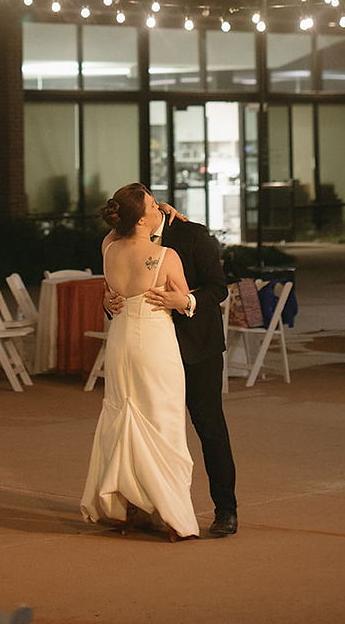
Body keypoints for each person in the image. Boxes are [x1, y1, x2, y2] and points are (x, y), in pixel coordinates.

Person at [104, 184, 238, 538]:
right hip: (148, 350)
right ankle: (148, 507)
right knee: (150, 428)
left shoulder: (191, 234)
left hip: (197, 347)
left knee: (209, 427)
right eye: (150, 203)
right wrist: (109, 302)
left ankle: (226, 510)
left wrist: (186, 303)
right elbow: (116, 286)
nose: (158, 209)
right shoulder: (120, 238)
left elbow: (217, 287)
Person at [80, 184, 199, 540]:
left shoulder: (109, 248)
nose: (159, 207)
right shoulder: (167, 256)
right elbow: (181, 300)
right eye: (152, 203)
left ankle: (125, 510)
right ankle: (171, 515)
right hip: (154, 344)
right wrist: (187, 303)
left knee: (123, 415)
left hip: (120, 343)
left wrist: (146, 210)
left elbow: (119, 230)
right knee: (163, 420)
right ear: (145, 215)